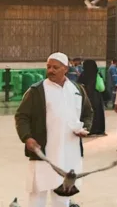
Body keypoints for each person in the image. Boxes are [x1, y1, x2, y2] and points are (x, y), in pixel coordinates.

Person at [15, 52, 93, 207]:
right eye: (48, 67)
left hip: (69, 153)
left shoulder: (77, 90)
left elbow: (88, 113)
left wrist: (84, 128)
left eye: (55, 67)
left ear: (65, 68)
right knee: (37, 195)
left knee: (63, 197)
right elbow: (21, 116)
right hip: (44, 153)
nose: (51, 70)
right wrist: (27, 137)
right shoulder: (37, 91)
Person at [77, 60, 106, 136]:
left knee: (88, 112)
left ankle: (89, 129)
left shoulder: (83, 74)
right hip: (97, 96)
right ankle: (99, 129)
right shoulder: (98, 73)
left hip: (87, 96)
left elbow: (79, 84)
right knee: (98, 113)